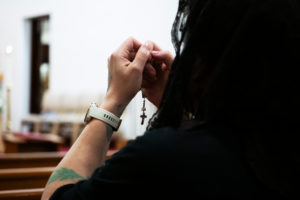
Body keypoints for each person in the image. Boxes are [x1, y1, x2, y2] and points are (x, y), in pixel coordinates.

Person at [42, 0, 300, 199]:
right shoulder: (282, 151)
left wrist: (113, 100)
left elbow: (56, 195)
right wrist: (176, 102)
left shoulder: (161, 158)